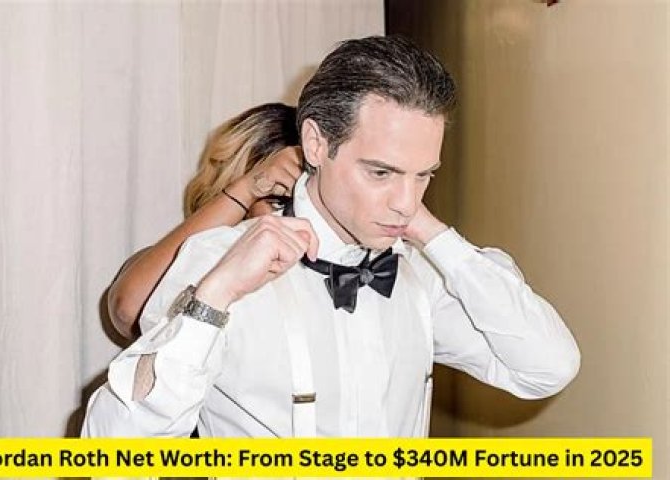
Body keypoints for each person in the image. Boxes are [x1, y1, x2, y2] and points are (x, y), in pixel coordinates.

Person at [82, 35, 580, 438]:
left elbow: (547, 367)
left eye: (424, 175)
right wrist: (215, 296)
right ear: (317, 144)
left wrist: (434, 235)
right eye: (382, 172)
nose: (407, 202)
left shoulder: (420, 275)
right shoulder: (216, 260)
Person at [108, 103, 302, 339]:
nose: (293, 217)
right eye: (280, 203)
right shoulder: (186, 260)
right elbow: (129, 310)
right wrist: (247, 189)